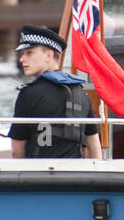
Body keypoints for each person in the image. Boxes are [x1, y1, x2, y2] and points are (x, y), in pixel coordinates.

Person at [8, 24, 102, 159]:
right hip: (76, 174)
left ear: (48, 56)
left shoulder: (28, 95)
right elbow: (94, 145)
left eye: (29, 52)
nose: (22, 59)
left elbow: (16, 151)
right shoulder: (81, 93)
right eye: (22, 54)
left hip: (39, 174)